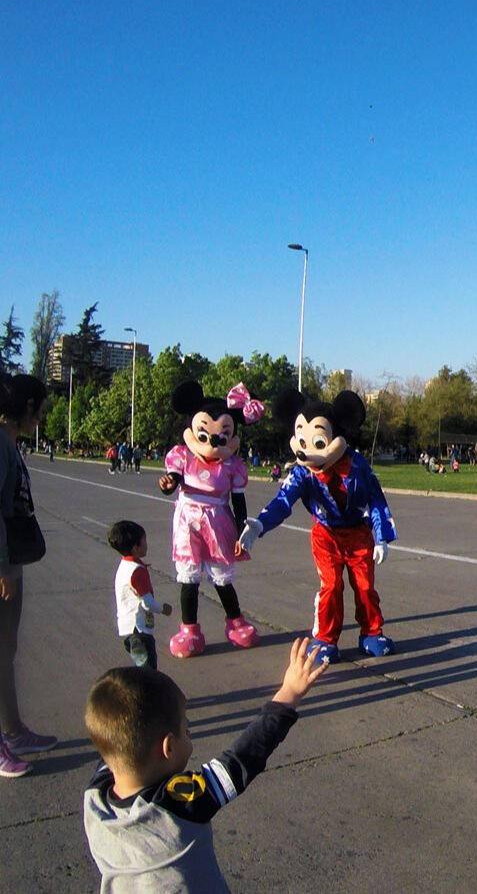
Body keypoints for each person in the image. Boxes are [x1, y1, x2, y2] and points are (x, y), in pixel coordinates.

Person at [83, 638, 329, 891]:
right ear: (168, 748)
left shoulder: (94, 798)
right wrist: (289, 693)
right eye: (186, 729)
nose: (189, 734)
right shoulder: (173, 806)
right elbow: (240, 760)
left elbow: (113, 743)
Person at [0, 373, 58, 778]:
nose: (40, 417)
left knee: (6, 653)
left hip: (9, 562)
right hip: (2, 565)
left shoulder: (9, 444)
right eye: (38, 408)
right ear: (25, 407)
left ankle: (13, 730)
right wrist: (2, 568)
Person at [107, 520, 173, 670]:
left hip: (128, 627)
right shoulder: (137, 571)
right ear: (135, 548)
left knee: (142, 665)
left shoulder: (124, 565)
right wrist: (163, 608)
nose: (146, 543)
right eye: (144, 540)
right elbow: (147, 602)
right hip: (138, 629)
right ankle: (147, 693)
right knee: (148, 668)